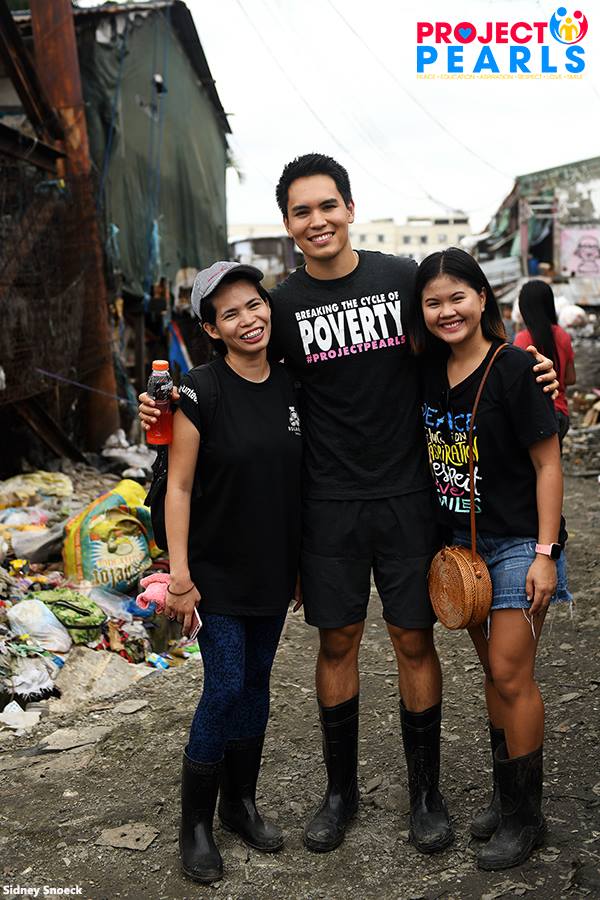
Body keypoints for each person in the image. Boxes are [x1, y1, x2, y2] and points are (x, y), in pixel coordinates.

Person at [139, 154, 558, 857]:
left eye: (327, 205)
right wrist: (164, 402)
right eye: (301, 211)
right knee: (337, 643)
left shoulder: (402, 279)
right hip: (328, 502)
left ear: (350, 207)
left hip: (409, 497)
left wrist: (526, 363)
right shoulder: (280, 306)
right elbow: (241, 376)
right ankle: (340, 795)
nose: (318, 220)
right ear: (287, 224)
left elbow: (456, 338)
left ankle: (425, 795)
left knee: (414, 641)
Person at [408, 247, 571, 870]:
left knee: (509, 672)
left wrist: (545, 554)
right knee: (494, 674)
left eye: (458, 297)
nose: (446, 311)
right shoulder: (427, 371)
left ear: (481, 298)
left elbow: (548, 463)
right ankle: (509, 800)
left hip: (518, 543)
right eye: (433, 302)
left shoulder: (515, 369)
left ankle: (527, 820)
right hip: (464, 551)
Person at [163, 261, 302, 883]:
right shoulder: (200, 390)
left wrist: (300, 565)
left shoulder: (292, 383)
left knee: (256, 685)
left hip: (272, 569)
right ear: (212, 329)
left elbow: (296, 481)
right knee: (223, 687)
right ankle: (194, 826)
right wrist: (180, 575)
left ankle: (239, 804)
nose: (248, 320)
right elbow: (179, 487)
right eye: (230, 313)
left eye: (254, 304)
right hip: (214, 573)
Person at [514, 280, 576, 447]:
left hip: (536, 417)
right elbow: (570, 378)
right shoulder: (563, 336)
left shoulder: (522, 339)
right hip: (561, 414)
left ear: (524, 309)